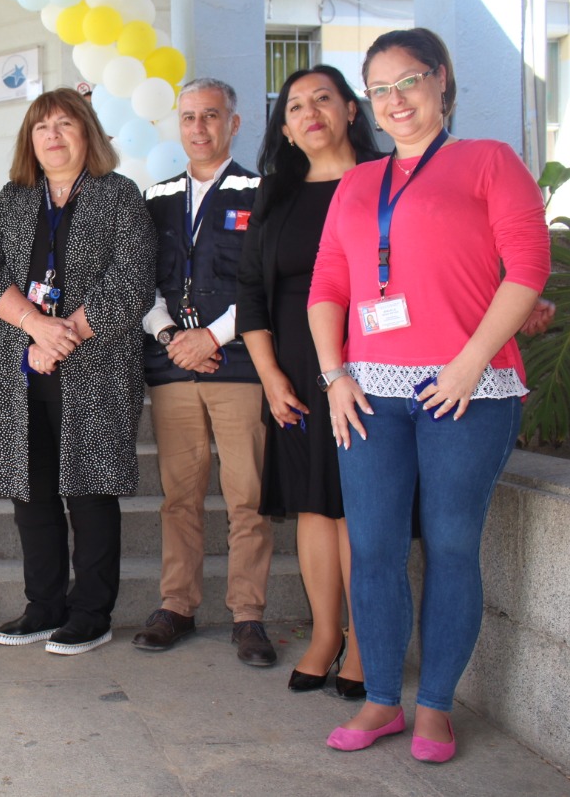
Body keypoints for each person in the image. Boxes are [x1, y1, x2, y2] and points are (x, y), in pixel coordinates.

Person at [310, 28, 549, 762]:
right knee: (375, 548)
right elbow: (328, 288)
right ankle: (382, 696)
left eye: (407, 81)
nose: (395, 100)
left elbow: (529, 266)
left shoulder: (488, 161)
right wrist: (333, 376)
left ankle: (437, 704)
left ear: (441, 80)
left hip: (469, 391)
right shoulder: (355, 184)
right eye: (379, 89)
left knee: (450, 545)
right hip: (367, 395)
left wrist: (470, 361)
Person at [0, 88, 154, 656]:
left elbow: (132, 284)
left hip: (94, 370)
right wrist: (34, 327)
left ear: (87, 133)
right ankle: (43, 606)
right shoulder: (14, 198)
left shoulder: (119, 197)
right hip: (20, 372)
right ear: (30, 140)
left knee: (91, 493)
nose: (52, 135)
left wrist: (60, 336)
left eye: (64, 124)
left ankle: (91, 612)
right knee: (33, 494)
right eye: (41, 126)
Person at [237, 65, 381, 697]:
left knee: (358, 508)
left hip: (373, 366)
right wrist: (269, 377)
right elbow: (251, 295)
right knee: (315, 508)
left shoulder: (385, 181)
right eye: (294, 106)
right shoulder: (276, 195)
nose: (309, 111)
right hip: (295, 372)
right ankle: (326, 635)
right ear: (286, 129)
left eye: (324, 98)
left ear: (352, 110)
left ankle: (367, 645)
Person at [133, 78, 275, 667]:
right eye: (189, 117)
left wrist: (210, 337)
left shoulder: (263, 193)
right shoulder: (155, 198)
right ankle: (178, 606)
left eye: (211, 116)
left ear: (233, 124)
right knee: (179, 497)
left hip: (239, 366)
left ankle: (248, 615)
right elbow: (138, 285)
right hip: (173, 369)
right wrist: (171, 336)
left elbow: (268, 283)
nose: (198, 127)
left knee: (248, 498)